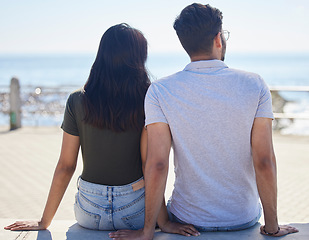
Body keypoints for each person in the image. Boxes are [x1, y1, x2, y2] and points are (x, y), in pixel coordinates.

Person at [109, 3, 299, 239]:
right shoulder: (255, 85)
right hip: (242, 218)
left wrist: (148, 230)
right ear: (219, 38)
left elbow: (157, 164)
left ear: (185, 44)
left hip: (188, 220)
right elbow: (264, 160)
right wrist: (272, 227)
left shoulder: (160, 91)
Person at [5, 23, 151, 231]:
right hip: (135, 211)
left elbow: (66, 166)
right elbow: (152, 165)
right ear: (138, 59)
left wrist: (44, 221)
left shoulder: (77, 100)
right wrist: (160, 221)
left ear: (102, 56)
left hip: (90, 212)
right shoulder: (149, 99)